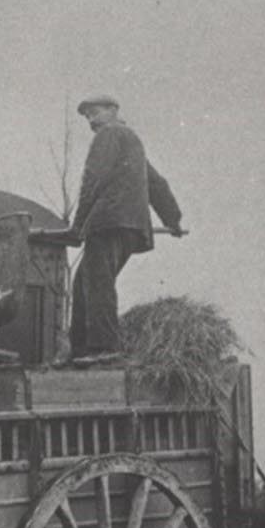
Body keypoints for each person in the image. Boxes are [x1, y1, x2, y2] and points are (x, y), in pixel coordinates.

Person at [68, 95, 183, 362]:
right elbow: (155, 183)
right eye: (87, 117)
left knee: (96, 282)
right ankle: (80, 351)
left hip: (108, 222)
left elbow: (93, 179)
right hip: (131, 228)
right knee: (84, 282)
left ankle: (103, 349)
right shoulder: (132, 141)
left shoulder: (108, 136)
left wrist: (77, 226)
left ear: (113, 110)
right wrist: (172, 219)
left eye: (94, 113)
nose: (91, 121)